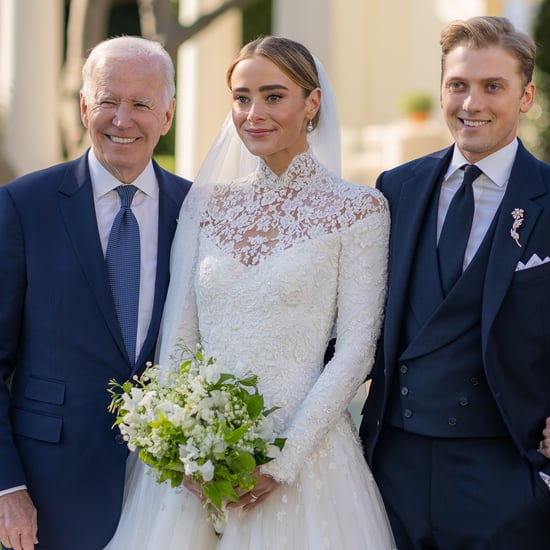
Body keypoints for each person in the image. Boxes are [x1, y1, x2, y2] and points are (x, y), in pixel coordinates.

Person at [105, 36, 396, 549]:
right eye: (241, 98)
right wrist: (182, 449)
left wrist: (281, 461)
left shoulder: (360, 210)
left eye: (273, 96)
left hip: (305, 464)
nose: (253, 113)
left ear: (312, 103)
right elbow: (179, 335)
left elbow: (355, 351)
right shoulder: (205, 205)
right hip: (196, 468)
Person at [360, 15, 550, 550]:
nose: (472, 103)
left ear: (526, 95)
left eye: (493, 87)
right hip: (391, 466)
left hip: (505, 471)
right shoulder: (394, 188)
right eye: (458, 85)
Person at [0, 36, 191, 550]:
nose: (121, 120)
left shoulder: (199, 212)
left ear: (168, 115)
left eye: (141, 104)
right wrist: (7, 488)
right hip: (50, 488)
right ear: (85, 107)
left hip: (173, 491)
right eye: (107, 101)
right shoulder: (22, 206)